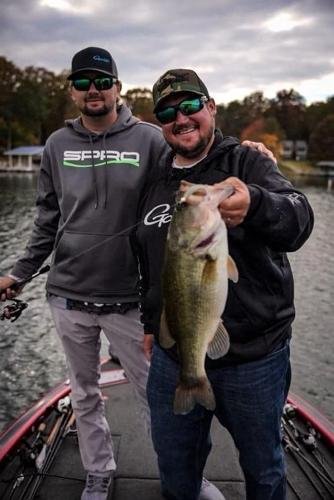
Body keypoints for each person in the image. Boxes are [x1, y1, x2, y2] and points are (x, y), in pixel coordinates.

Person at [135, 69, 314, 500]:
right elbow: (146, 258)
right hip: (173, 357)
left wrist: (256, 204)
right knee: (176, 470)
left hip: (255, 358)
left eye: (191, 105)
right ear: (160, 123)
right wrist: (148, 322)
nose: (181, 118)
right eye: (167, 112)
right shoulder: (156, 178)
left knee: (264, 468)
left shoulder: (248, 162)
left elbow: (299, 220)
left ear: (211, 108)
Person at [0, 46, 169, 500]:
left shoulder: (151, 140)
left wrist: (248, 155)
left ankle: (181, 475)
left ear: (117, 85)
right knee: (84, 393)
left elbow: (191, 172)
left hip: (131, 300)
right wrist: (18, 272)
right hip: (68, 297)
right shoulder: (57, 145)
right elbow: (46, 218)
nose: (93, 90)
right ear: (72, 91)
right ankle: (98, 470)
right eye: (82, 82)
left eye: (101, 80)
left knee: (157, 396)